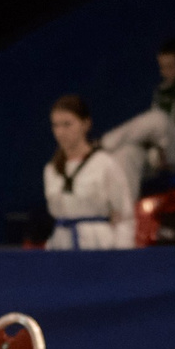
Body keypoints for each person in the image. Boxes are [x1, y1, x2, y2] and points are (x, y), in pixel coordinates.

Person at [101, 39, 175, 177]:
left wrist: (166, 143)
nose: (164, 72)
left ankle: (102, 145)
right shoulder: (163, 90)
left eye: (170, 67)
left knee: (157, 119)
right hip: (166, 152)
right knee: (129, 154)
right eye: (162, 67)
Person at [42, 95, 136, 249]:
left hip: (98, 245)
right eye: (56, 125)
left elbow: (125, 216)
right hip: (62, 245)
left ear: (85, 124)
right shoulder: (51, 169)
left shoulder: (105, 164)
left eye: (67, 124)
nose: (60, 132)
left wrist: (121, 256)